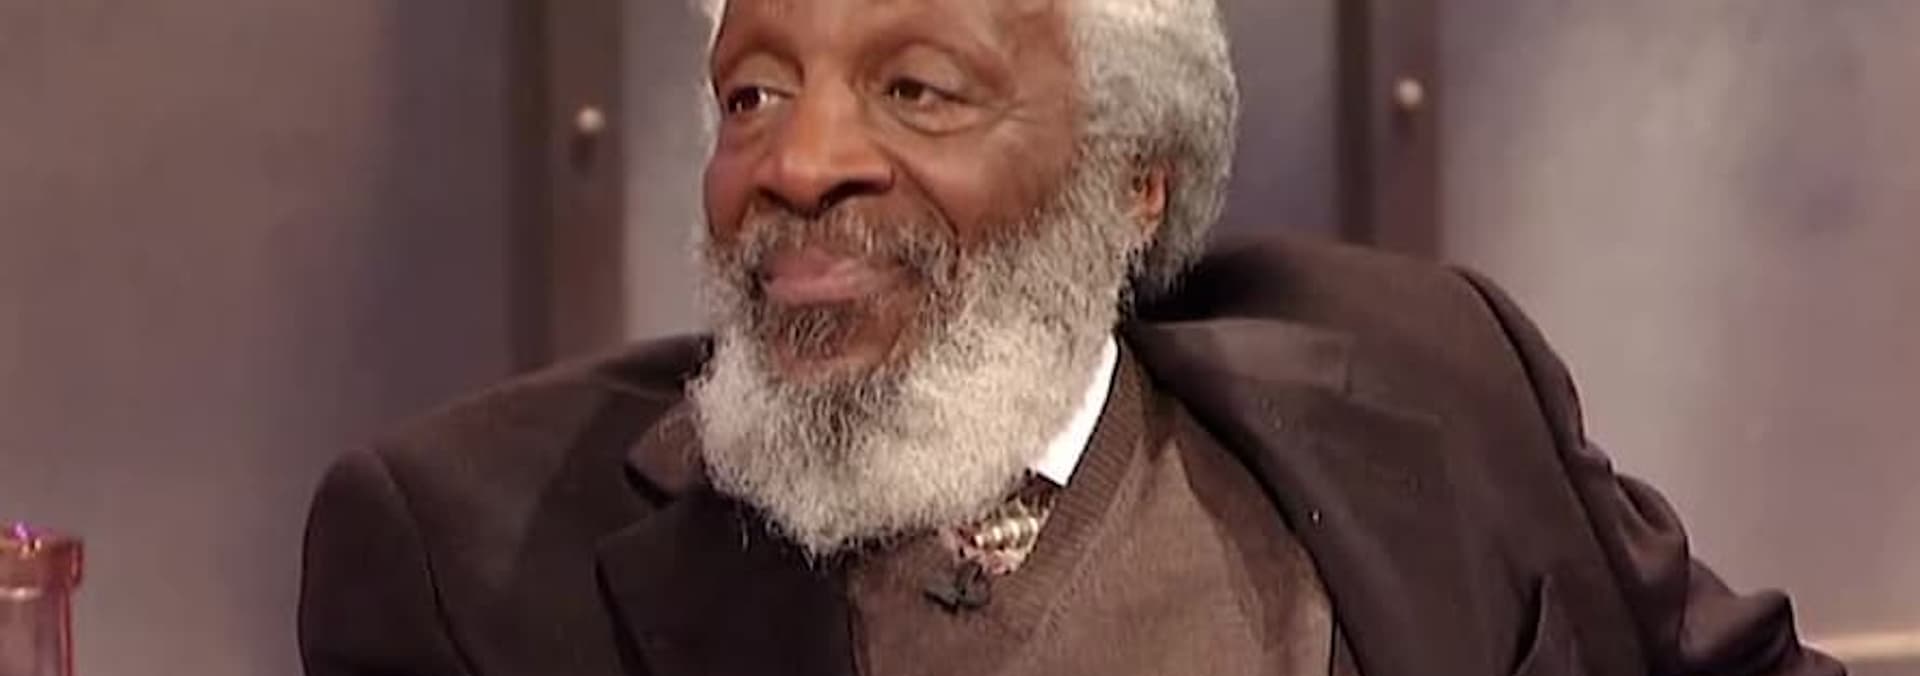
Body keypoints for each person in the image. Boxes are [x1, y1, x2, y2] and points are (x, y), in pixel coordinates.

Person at [298, 0, 1844, 674]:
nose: (797, 163)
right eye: (752, 93)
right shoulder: (468, 560)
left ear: (1130, 178)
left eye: (916, 89)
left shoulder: (1434, 371)